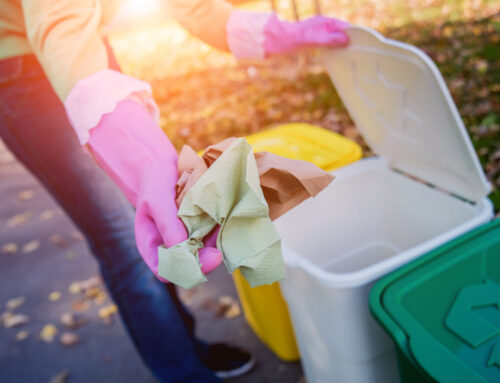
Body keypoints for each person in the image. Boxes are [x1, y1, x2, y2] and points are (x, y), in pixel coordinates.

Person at [0, 0, 349, 381]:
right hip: (19, 66)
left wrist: (280, 32)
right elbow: (56, 18)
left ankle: (185, 347)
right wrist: (139, 150)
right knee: (121, 236)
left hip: (85, 43)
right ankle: (183, 373)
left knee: (147, 223)